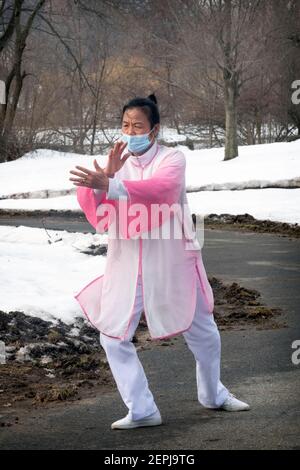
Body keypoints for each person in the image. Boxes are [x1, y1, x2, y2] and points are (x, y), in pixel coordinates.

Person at [69, 94, 250, 430]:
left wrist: (111, 183)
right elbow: (99, 209)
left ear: (154, 130)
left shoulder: (172, 158)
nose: (130, 131)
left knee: (204, 334)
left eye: (138, 125)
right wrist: (104, 181)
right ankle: (142, 409)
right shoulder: (114, 162)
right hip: (127, 264)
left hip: (172, 262)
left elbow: (162, 190)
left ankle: (213, 395)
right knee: (111, 336)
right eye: (125, 125)